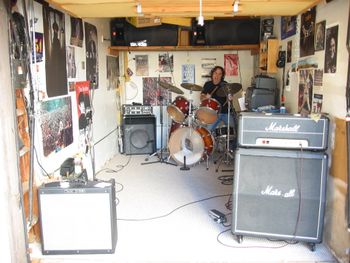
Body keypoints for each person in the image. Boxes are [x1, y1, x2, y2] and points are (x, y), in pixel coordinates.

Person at [200, 66, 236, 133]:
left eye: (220, 74)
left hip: (225, 112)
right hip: (213, 114)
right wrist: (205, 97)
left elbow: (230, 99)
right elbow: (201, 98)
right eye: (215, 73)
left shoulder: (225, 84)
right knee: (208, 131)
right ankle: (213, 143)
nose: (217, 75)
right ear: (212, 74)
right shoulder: (207, 84)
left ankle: (232, 144)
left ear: (222, 76)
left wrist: (230, 99)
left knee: (234, 130)